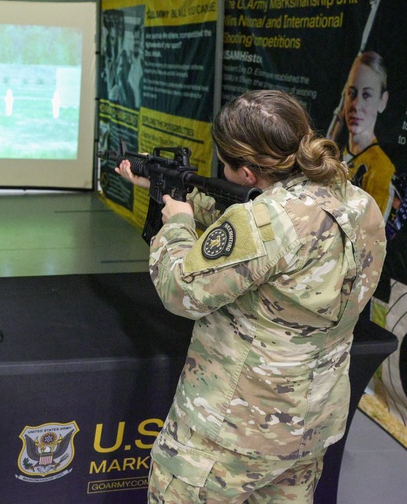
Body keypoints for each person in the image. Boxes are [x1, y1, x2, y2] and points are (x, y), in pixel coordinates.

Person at [115, 90, 386, 503]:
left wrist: (177, 226)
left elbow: (180, 291)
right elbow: (259, 234)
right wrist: (171, 189)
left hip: (230, 434)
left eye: (225, 165)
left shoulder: (262, 222)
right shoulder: (359, 203)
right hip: (308, 426)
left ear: (245, 172)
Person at [335, 51, 395, 218]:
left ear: (382, 101)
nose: (356, 105)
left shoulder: (380, 169)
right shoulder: (340, 155)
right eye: (351, 93)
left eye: (367, 95)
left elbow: (370, 237)